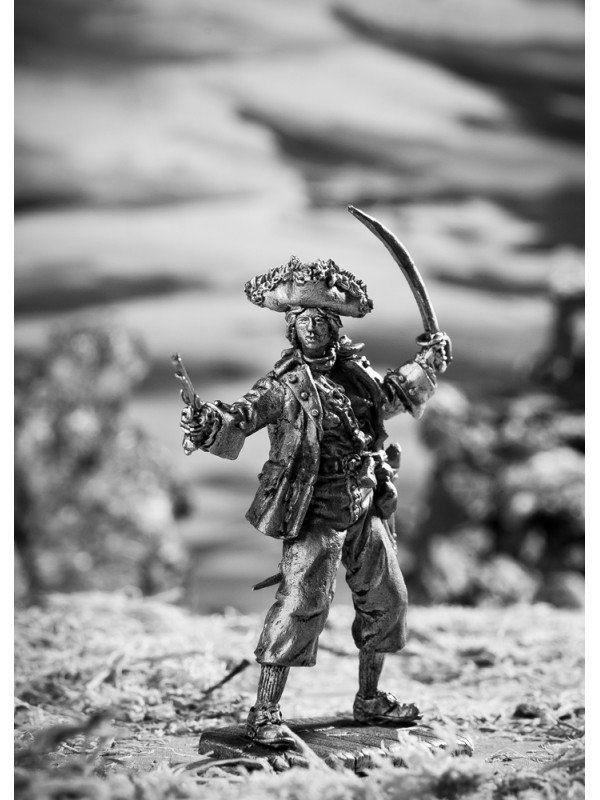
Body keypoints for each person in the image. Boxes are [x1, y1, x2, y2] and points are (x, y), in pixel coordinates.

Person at [180, 255, 450, 748]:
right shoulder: (283, 387)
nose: (311, 327)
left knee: (387, 599)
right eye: (302, 320)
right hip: (314, 511)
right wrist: (208, 422)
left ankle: (370, 699)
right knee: (302, 604)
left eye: (321, 320)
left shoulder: (356, 375)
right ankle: (264, 712)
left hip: (365, 501)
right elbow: (241, 416)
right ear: (291, 328)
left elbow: (391, 396)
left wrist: (427, 364)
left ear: (334, 326)